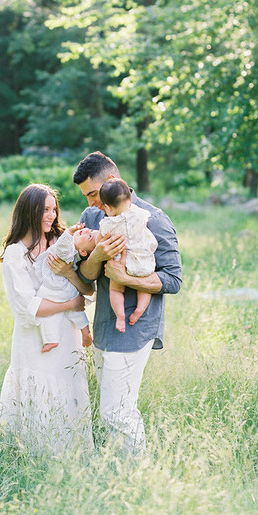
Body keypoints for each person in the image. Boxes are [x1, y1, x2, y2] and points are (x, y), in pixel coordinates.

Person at [52, 151, 181, 455]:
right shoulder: (92, 218)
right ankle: (116, 473)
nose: (90, 203)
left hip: (136, 328)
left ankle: (136, 481)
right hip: (104, 326)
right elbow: (86, 281)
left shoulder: (154, 220)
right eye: (85, 197)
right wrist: (95, 256)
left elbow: (173, 280)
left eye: (93, 194)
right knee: (108, 409)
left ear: (111, 181)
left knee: (117, 412)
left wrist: (126, 276)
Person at [0, 184, 93, 454]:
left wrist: (71, 279)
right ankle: (32, 457)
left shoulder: (61, 242)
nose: (51, 216)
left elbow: (88, 290)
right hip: (33, 340)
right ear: (29, 212)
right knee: (38, 394)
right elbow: (27, 307)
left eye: (53, 209)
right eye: (44, 210)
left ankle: (71, 457)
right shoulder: (16, 253)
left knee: (68, 391)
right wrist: (70, 303)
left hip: (67, 334)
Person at [98, 178, 158, 333]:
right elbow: (146, 221)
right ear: (130, 199)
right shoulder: (140, 214)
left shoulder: (108, 223)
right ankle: (139, 310)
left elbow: (100, 241)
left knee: (116, 290)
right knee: (144, 288)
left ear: (108, 208)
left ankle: (120, 316)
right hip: (143, 261)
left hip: (121, 265)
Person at [33, 222, 93, 353]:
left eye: (89, 237)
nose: (87, 230)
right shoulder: (74, 252)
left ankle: (51, 339)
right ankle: (85, 331)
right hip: (65, 288)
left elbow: (62, 247)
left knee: (44, 310)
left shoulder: (69, 250)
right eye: (90, 230)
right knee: (76, 312)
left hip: (54, 286)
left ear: (82, 251)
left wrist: (69, 233)